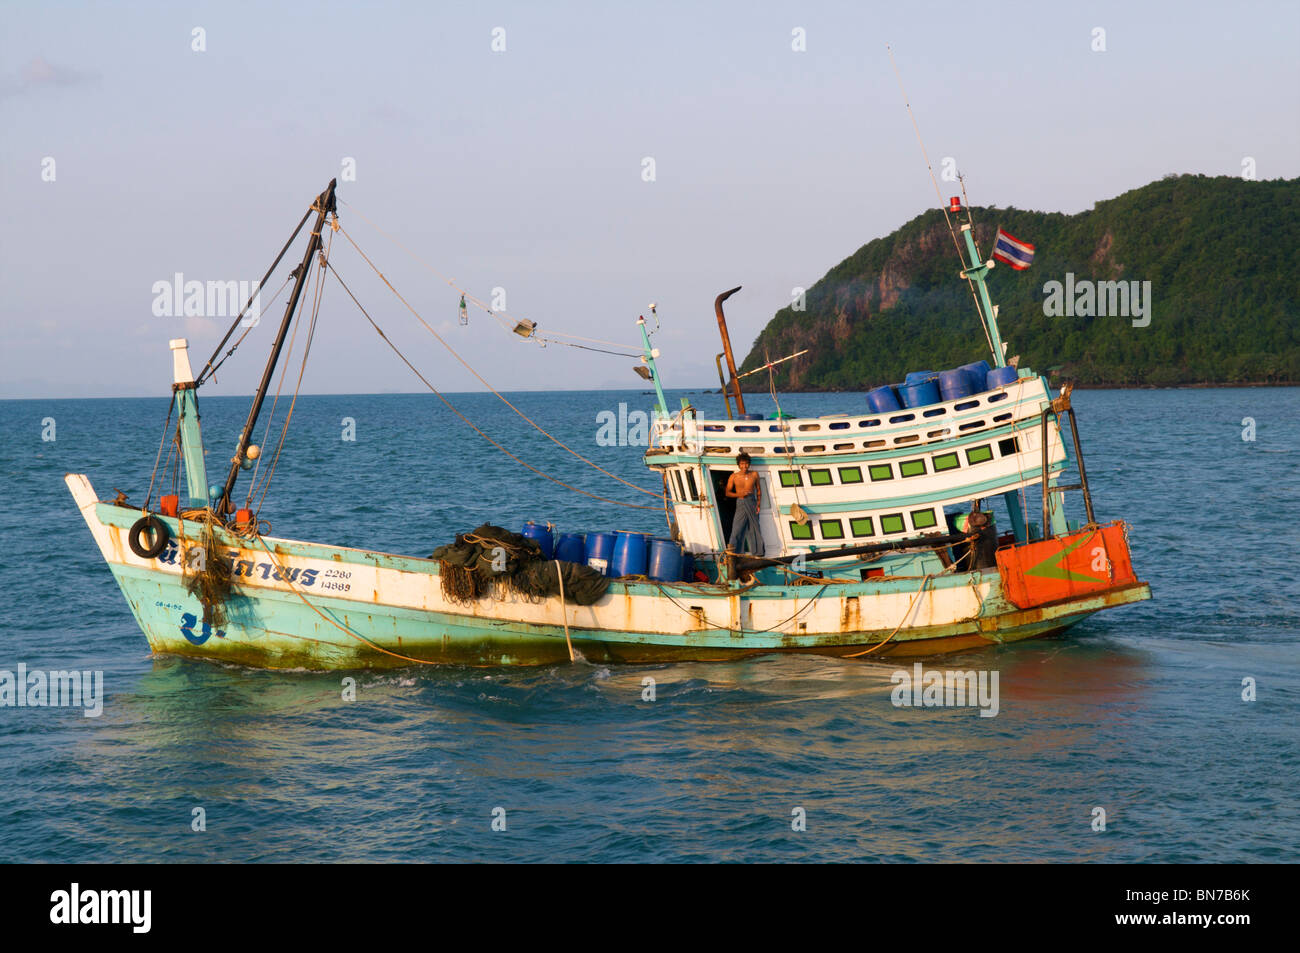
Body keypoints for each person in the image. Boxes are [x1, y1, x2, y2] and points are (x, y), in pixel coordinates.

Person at [725, 452, 764, 556]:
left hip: (752, 501)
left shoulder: (754, 474)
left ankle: (758, 552)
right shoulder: (734, 476)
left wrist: (758, 505)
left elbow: (759, 490)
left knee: (754, 527)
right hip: (741, 501)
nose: (744, 466)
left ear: (749, 464)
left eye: (746, 463)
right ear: (738, 464)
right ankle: (734, 552)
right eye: (742, 464)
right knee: (737, 527)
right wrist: (739, 494)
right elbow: (727, 493)